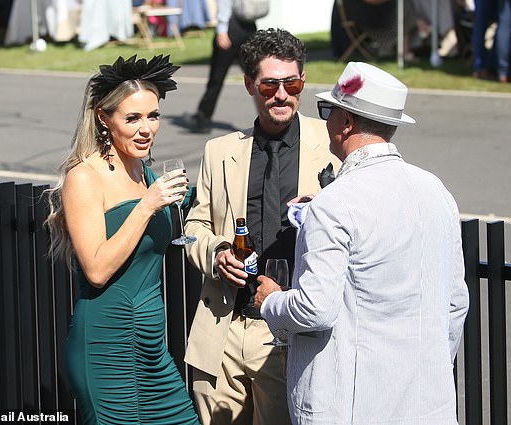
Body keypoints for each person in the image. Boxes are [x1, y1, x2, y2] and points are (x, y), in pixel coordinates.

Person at [255, 62, 470, 424]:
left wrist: (271, 300)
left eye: (328, 111)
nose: (326, 122)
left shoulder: (335, 203)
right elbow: (455, 303)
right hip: (427, 404)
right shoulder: (435, 190)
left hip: (350, 406)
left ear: (346, 123)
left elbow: (314, 309)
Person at [183, 28, 339, 425]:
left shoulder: (333, 144)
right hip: (223, 332)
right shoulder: (219, 152)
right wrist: (217, 253)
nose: (283, 94)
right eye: (270, 84)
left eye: (294, 83)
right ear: (250, 83)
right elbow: (196, 224)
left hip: (290, 334)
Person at [44, 55, 200, 425]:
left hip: (151, 347)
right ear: (103, 117)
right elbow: (96, 270)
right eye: (132, 118)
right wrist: (147, 206)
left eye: (153, 115)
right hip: (105, 346)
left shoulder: (143, 170)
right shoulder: (84, 177)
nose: (146, 129)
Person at [185, 0, 264, 133]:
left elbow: (224, 5)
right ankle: (267, 117)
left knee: (217, 77)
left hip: (230, 30)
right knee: (256, 77)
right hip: (250, 29)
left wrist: (221, 30)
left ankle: (203, 118)